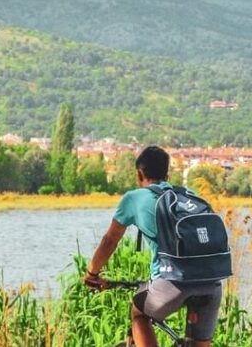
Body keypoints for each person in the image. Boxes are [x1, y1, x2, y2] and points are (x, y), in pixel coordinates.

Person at [84, 146, 223, 347]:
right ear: (167, 175)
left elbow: (109, 240)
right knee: (199, 344)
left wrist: (92, 273)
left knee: (138, 313)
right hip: (211, 283)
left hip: (172, 283)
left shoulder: (134, 198)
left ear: (139, 174)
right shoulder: (189, 195)